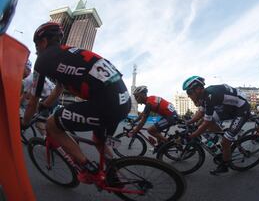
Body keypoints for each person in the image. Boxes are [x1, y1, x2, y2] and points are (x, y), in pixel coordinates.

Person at [22, 21, 131, 183]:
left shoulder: (43, 60)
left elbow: (32, 101)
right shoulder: (70, 53)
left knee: (52, 124)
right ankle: (114, 170)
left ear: (43, 42)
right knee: (98, 140)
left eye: (36, 45)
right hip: (124, 101)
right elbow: (58, 88)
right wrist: (44, 106)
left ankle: (89, 169)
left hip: (106, 104)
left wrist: (24, 124)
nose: (37, 50)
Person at [183, 76, 250, 175]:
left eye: (189, 92)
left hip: (241, 109)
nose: (188, 96)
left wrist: (192, 136)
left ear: (197, 89)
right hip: (228, 107)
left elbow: (205, 122)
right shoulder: (205, 95)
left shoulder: (210, 96)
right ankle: (223, 139)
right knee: (208, 123)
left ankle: (225, 165)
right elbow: (200, 113)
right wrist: (188, 123)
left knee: (225, 141)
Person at [129, 86, 178, 151]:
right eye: (135, 97)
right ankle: (160, 145)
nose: (136, 99)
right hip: (169, 115)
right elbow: (143, 114)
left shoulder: (149, 103)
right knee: (156, 129)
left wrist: (136, 129)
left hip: (170, 117)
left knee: (150, 130)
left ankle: (170, 144)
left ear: (143, 95)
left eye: (137, 97)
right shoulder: (150, 99)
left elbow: (142, 122)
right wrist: (134, 121)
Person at [20, 59, 55, 135]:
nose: (19, 71)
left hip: (49, 98)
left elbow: (24, 96)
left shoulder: (27, 79)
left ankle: (47, 140)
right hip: (54, 95)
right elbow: (30, 94)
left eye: (21, 68)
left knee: (38, 121)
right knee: (39, 115)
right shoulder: (33, 75)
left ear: (26, 68)